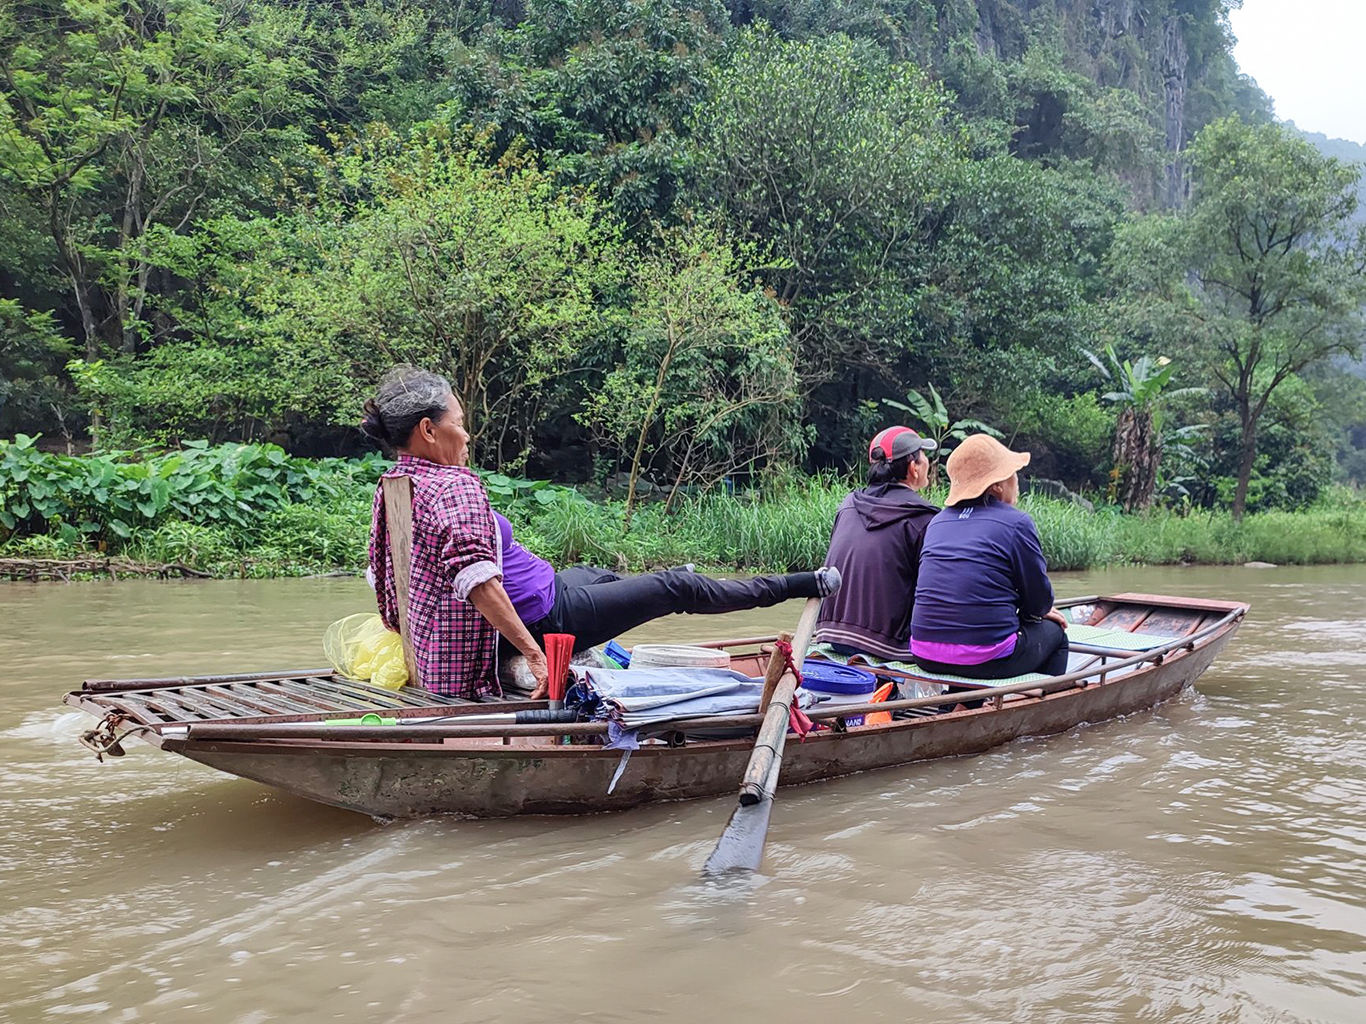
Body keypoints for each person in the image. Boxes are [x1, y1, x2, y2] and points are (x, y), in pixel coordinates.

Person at [363, 366, 839, 700]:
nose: (467, 436)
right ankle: (803, 583)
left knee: (601, 574)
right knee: (677, 588)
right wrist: (532, 654)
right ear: (428, 430)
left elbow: (380, 576)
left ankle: (663, 586)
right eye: (460, 425)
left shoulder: (396, 483)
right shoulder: (451, 486)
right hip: (545, 617)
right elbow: (478, 581)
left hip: (545, 589)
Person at [909, 434, 1069, 682]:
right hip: (987, 658)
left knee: (977, 640)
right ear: (997, 485)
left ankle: (963, 705)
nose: (1016, 481)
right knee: (1056, 634)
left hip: (923, 652)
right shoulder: (1016, 522)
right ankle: (1042, 709)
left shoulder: (937, 522)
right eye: (1013, 473)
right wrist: (1038, 611)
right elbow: (1039, 602)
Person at [813, 426, 940, 660]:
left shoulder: (848, 504)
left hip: (830, 634)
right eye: (925, 458)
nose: (928, 464)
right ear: (913, 468)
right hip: (887, 645)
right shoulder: (924, 518)